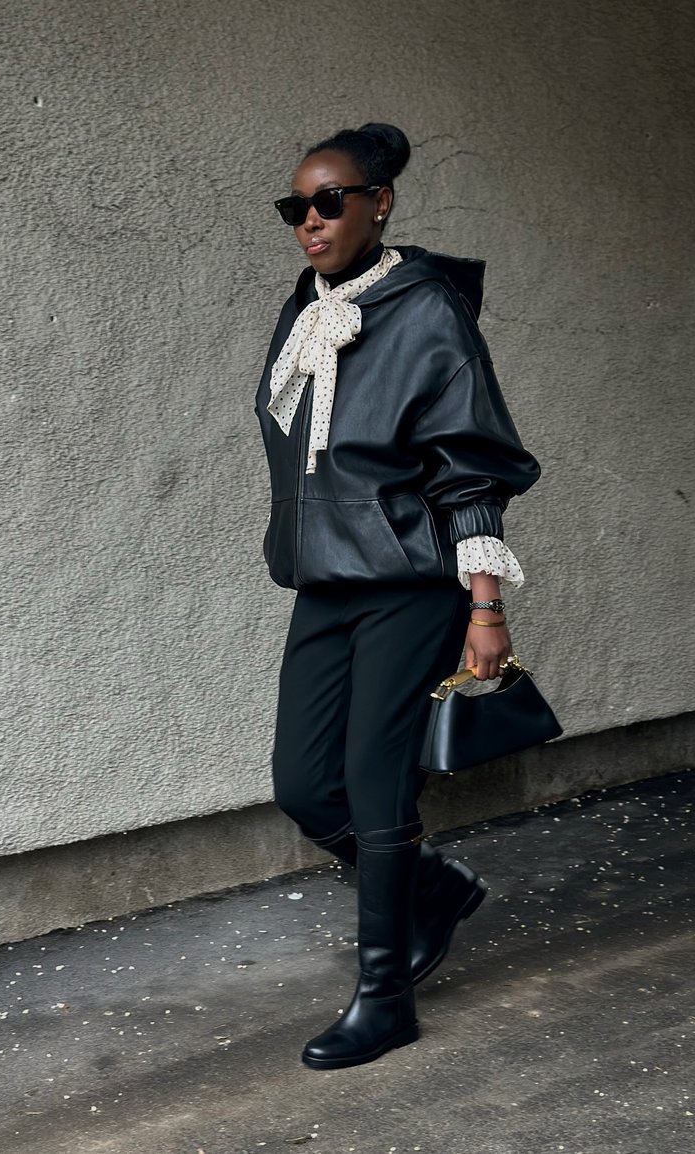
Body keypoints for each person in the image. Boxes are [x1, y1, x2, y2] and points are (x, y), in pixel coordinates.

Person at [255, 123, 540, 1070]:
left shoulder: (427, 310)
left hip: (410, 586)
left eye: (329, 201)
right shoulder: (310, 307)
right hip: (327, 584)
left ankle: (385, 998)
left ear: (381, 203)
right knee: (304, 784)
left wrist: (485, 605)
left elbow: (471, 466)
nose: (310, 221)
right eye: (296, 206)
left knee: (378, 786)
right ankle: (433, 889)